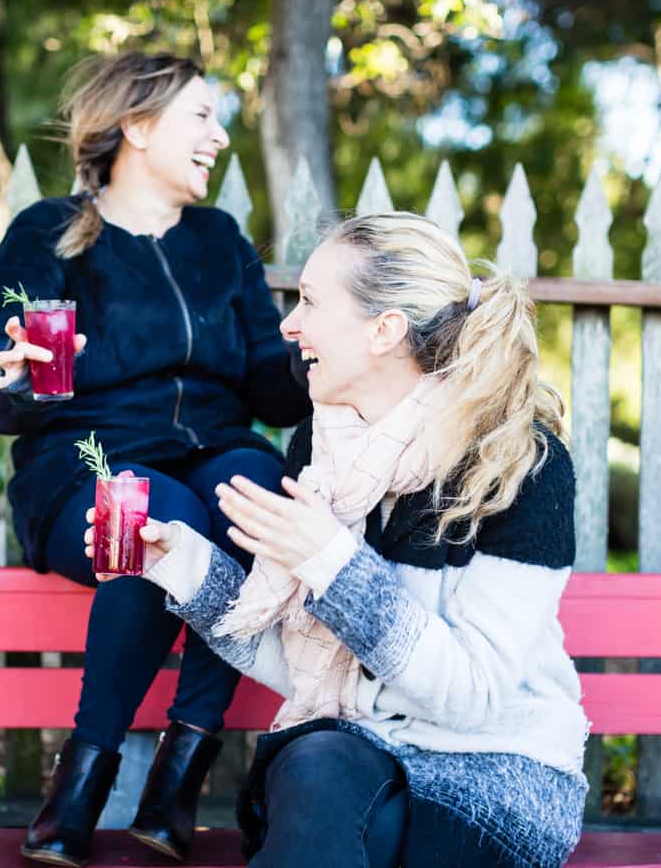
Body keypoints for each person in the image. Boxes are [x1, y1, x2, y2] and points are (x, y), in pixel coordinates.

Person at [90, 212, 589, 867]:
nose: (289, 326)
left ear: (384, 331)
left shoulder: (519, 463)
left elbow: (472, 692)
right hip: (350, 767)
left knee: (318, 780)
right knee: (315, 759)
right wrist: (179, 566)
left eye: (311, 302)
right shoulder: (319, 451)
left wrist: (333, 562)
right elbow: (293, 663)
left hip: (497, 780)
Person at [0, 53, 311, 867]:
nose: (220, 137)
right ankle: (82, 779)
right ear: (139, 128)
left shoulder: (220, 241)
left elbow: (269, 382)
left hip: (213, 450)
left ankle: (181, 769)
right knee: (154, 519)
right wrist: (9, 377)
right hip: (86, 464)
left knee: (255, 496)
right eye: (202, 117)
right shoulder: (47, 234)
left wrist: (318, 355)